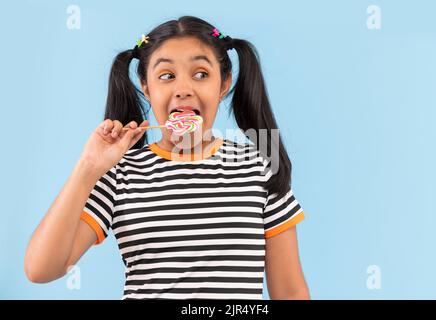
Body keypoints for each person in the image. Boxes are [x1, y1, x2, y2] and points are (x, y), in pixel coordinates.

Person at [24, 15, 310, 300]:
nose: (183, 88)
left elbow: (290, 292)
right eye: (166, 76)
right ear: (146, 87)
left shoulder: (259, 167)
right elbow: (41, 269)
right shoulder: (120, 173)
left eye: (200, 74)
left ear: (223, 84)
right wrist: (88, 167)